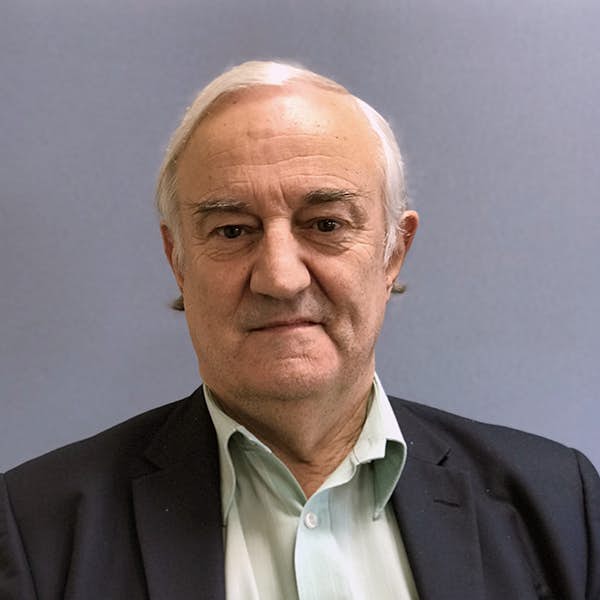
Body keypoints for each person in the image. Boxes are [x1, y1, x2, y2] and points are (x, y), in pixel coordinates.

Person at [1, 60, 598, 600]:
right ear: (178, 259)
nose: (281, 278)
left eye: (326, 224)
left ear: (393, 252)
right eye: (233, 230)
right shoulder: (34, 531)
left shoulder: (561, 506)